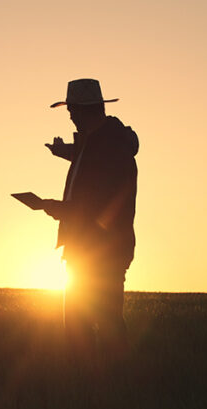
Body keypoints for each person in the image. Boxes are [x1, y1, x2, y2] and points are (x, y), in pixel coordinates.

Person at [42, 79, 139, 361]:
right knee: (88, 322)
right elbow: (91, 165)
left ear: (85, 110)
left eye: (72, 111)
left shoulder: (106, 146)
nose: (70, 117)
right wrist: (68, 153)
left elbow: (97, 203)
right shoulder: (103, 142)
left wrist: (59, 208)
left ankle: (99, 385)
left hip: (100, 249)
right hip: (90, 247)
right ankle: (99, 383)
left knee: (89, 324)